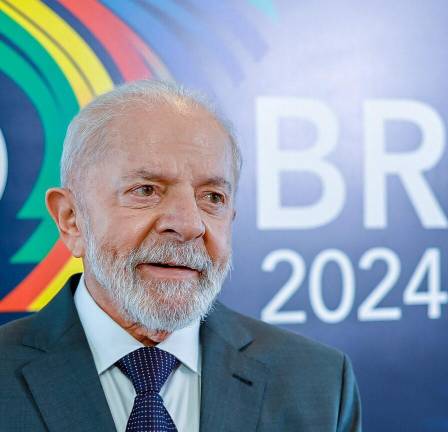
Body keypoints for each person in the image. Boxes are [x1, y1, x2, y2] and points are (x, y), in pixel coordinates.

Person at [0, 80, 362, 431]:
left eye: (213, 197)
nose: (189, 225)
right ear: (71, 219)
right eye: (146, 190)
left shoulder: (320, 384)